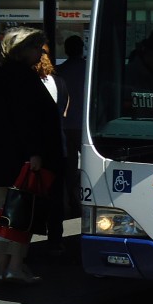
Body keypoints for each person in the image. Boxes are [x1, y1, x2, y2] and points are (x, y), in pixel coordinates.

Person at [0, 28, 65, 285]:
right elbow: (29, 120)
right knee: (22, 217)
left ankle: (2, 268)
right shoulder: (24, 79)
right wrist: (35, 152)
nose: (41, 53)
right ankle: (15, 266)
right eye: (37, 48)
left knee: (1, 216)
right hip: (22, 160)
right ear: (23, 50)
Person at [36, 41, 71, 256]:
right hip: (59, 144)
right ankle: (55, 238)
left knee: (31, 192)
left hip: (36, 147)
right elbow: (65, 110)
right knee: (56, 194)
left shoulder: (30, 84)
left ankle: (27, 234)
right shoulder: (60, 82)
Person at [54, 35, 87, 237]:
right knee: (87, 167)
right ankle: (83, 199)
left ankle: (69, 200)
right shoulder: (89, 69)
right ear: (82, 49)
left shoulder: (60, 71)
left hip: (65, 126)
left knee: (69, 167)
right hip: (85, 126)